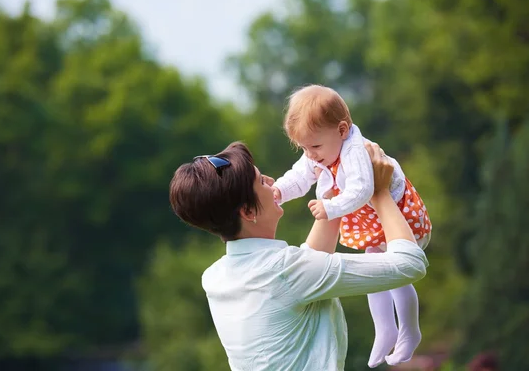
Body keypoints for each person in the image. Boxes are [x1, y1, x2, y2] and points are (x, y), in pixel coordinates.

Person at [169, 140, 428, 371]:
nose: (271, 181)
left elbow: (305, 265)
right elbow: (410, 264)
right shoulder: (286, 273)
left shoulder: (217, 277)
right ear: (248, 212)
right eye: (260, 181)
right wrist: (380, 192)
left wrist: (338, 195)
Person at [272, 85, 432, 367]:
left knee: (397, 277)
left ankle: (409, 329)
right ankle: (385, 330)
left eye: (315, 147)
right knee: (377, 274)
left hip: (400, 217)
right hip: (374, 219)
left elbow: (362, 189)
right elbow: (299, 177)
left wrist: (330, 208)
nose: (310, 155)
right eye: (304, 148)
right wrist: (280, 192)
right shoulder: (320, 150)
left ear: (342, 130)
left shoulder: (354, 151)